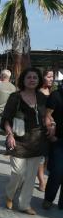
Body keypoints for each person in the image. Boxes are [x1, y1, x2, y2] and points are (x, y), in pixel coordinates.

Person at [2, 67, 48, 215]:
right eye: (29, 77)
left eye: (35, 77)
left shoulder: (42, 98)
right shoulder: (15, 97)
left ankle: (24, 204)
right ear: (23, 80)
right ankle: (9, 194)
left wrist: (51, 124)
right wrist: (9, 135)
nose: (32, 80)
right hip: (18, 140)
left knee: (30, 176)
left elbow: (46, 117)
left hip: (37, 140)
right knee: (17, 173)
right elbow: (6, 119)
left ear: (39, 80)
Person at [42, 82, 63, 210]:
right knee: (57, 171)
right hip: (58, 140)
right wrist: (51, 135)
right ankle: (49, 198)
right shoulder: (56, 95)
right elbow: (47, 115)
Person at [37, 69, 54, 191]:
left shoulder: (52, 92)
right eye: (49, 76)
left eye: (52, 76)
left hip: (53, 128)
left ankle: (42, 177)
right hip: (41, 129)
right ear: (42, 78)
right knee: (41, 157)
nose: (51, 79)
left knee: (47, 157)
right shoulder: (38, 93)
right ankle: (42, 181)